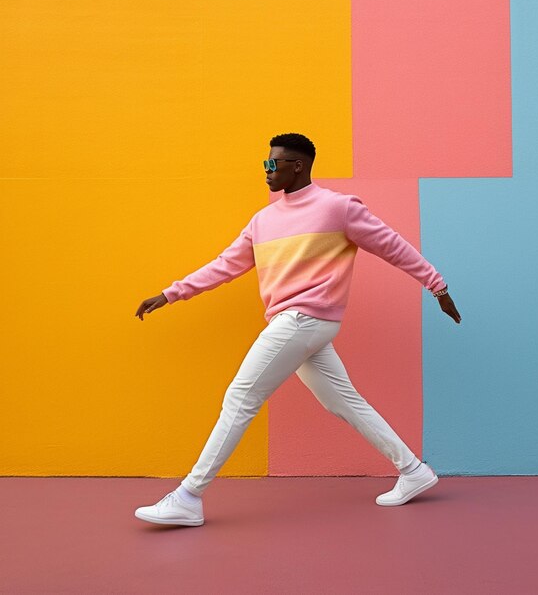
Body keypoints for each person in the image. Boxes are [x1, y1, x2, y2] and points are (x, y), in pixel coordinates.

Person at [134, 133, 461, 526]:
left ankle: (189, 496)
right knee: (343, 401)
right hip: (299, 326)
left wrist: (437, 285)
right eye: (265, 164)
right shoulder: (263, 220)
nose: (267, 171)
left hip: (303, 319)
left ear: (298, 166)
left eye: (274, 164)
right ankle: (413, 470)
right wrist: (171, 294)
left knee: (240, 398)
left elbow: (392, 245)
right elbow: (225, 265)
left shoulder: (338, 209)